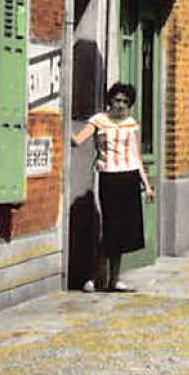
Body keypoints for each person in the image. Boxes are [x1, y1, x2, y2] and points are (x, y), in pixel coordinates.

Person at [70, 83, 155, 292]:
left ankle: (114, 279)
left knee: (124, 231)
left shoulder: (131, 124)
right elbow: (78, 140)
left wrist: (147, 185)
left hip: (129, 177)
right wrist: (61, 124)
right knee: (110, 227)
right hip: (109, 177)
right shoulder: (99, 120)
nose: (121, 105)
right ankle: (93, 277)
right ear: (110, 101)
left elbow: (136, 156)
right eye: (117, 100)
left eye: (125, 101)